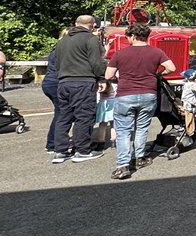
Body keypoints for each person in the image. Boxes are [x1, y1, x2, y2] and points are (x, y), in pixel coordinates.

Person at [105, 21, 175, 179]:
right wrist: (158, 75)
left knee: (123, 131)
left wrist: (118, 79)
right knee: (142, 128)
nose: (127, 39)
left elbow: (108, 76)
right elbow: (171, 68)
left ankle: (123, 165)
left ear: (133, 36)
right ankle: (139, 158)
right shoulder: (156, 52)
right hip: (148, 95)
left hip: (125, 95)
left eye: (128, 36)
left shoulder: (120, 54)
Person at [52, 15, 107, 164]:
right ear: (92, 25)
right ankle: (82, 151)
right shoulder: (91, 39)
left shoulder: (62, 41)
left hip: (63, 82)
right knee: (84, 117)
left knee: (64, 117)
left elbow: (57, 63)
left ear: (75, 24)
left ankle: (60, 151)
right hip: (83, 81)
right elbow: (96, 62)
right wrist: (101, 78)